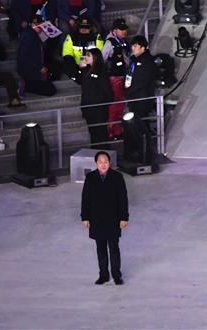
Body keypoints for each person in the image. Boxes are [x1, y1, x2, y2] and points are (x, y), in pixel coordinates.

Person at [80, 151, 129, 285]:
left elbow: (123, 199)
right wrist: (85, 217)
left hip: (113, 219)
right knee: (100, 249)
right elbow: (85, 199)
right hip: (96, 219)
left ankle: (117, 275)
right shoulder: (90, 177)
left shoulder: (117, 177)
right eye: (100, 162)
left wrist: (124, 217)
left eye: (105, 161)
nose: (103, 164)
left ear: (109, 162)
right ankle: (103, 275)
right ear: (96, 163)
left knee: (114, 249)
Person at [79, 48, 112, 147]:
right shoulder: (86, 70)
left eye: (88, 56)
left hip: (99, 108)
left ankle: (105, 153)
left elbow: (107, 90)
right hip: (88, 106)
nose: (86, 58)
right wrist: (81, 68)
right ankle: (96, 153)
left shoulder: (101, 71)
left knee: (101, 132)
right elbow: (81, 83)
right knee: (92, 132)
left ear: (95, 57)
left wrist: (103, 103)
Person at [102, 18, 129, 139]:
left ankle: (117, 131)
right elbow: (102, 60)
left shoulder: (123, 42)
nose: (124, 32)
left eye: (125, 29)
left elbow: (127, 58)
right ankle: (111, 131)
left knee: (120, 105)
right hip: (114, 78)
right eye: (121, 29)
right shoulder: (109, 43)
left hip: (123, 77)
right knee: (114, 106)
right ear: (114, 30)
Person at [16, 16, 57, 96]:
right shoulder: (28, 35)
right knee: (50, 90)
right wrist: (39, 67)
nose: (41, 26)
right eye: (38, 24)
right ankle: (25, 85)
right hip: (29, 70)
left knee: (55, 69)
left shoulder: (35, 34)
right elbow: (24, 56)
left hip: (37, 64)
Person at [62, 17, 103, 81]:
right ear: (78, 27)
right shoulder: (71, 37)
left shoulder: (96, 37)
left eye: (86, 27)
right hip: (76, 67)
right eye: (82, 27)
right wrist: (77, 67)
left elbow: (100, 53)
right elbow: (67, 54)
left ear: (91, 27)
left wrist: (89, 64)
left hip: (92, 66)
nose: (84, 29)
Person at [125, 35, 156, 119]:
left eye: (135, 46)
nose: (132, 48)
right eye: (132, 46)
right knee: (134, 119)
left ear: (143, 48)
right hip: (133, 96)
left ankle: (145, 132)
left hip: (142, 97)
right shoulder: (133, 60)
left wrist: (131, 90)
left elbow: (145, 80)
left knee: (141, 119)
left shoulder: (148, 61)